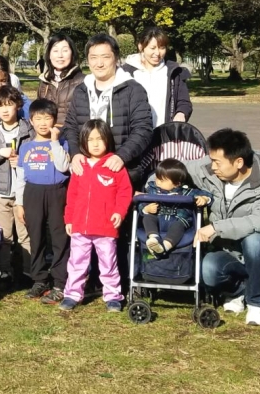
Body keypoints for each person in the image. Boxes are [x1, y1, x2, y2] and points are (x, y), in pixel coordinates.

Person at [186, 129, 260, 327]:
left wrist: (216, 227)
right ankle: (237, 291)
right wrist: (154, 185)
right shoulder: (209, 168)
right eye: (211, 160)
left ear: (239, 162)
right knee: (207, 270)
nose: (212, 166)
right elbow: (174, 169)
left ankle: (257, 302)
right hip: (227, 251)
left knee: (254, 240)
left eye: (218, 162)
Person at [62, 34, 154, 189]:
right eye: (93, 57)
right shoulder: (81, 91)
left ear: (116, 58)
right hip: (88, 174)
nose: (99, 63)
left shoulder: (133, 90)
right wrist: (75, 153)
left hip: (122, 173)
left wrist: (121, 157)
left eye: (105, 57)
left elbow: (143, 130)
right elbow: (71, 126)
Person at [60, 119, 132, 312]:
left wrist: (119, 212)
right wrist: (69, 219)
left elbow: (125, 192)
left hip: (105, 227)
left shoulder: (114, 165)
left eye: (100, 138)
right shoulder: (80, 165)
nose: (95, 143)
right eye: (91, 139)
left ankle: (113, 296)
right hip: (80, 227)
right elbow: (72, 195)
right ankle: (72, 294)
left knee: (108, 263)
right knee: (77, 262)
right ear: (84, 141)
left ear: (107, 140)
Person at [13, 99, 71, 302]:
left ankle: (60, 282)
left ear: (55, 120)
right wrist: (19, 203)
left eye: (47, 118)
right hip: (32, 194)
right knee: (36, 237)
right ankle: (39, 279)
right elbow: (20, 177)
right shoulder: (26, 147)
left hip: (57, 193)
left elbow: (64, 167)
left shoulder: (62, 143)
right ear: (31, 121)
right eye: (38, 118)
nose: (43, 123)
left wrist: (55, 142)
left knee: (59, 238)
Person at [0, 85, 33, 284]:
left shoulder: (28, 129)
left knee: (25, 234)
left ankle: (28, 272)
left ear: (18, 106)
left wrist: (21, 160)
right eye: (0, 105)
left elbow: (37, 157)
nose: (5, 109)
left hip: (23, 193)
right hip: (0, 192)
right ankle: (4, 271)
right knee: (4, 236)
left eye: (9, 105)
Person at [138, 158, 212, 256]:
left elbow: (207, 194)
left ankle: (165, 246)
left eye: (162, 180)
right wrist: (146, 209)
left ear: (177, 183)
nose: (157, 182)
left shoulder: (187, 192)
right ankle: (154, 238)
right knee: (148, 217)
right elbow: (141, 204)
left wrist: (205, 199)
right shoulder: (152, 190)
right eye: (157, 178)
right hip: (157, 221)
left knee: (178, 226)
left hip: (178, 220)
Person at [121, 26, 192, 127]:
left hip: (165, 135)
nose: (157, 53)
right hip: (135, 136)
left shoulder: (173, 72)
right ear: (141, 47)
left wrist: (181, 113)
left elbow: (184, 102)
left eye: (162, 48)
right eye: (152, 48)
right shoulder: (126, 73)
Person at [36, 33, 84, 129]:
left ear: (72, 53)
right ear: (49, 55)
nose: (60, 55)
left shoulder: (83, 81)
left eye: (65, 50)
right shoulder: (44, 82)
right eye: (55, 50)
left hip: (72, 138)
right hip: (47, 137)